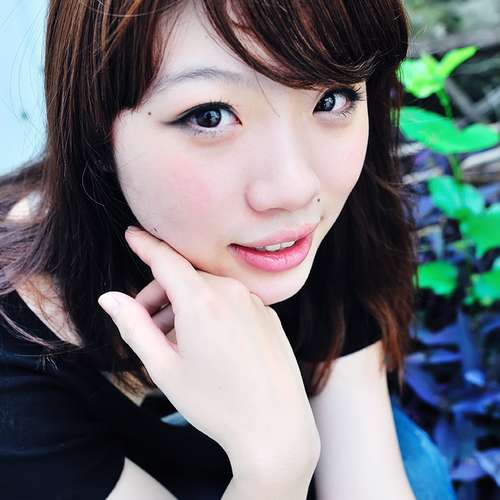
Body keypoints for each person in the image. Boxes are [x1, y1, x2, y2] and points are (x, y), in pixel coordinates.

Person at [0, 0, 418, 498]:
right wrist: (275, 468)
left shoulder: (318, 223)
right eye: (210, 115)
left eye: (331, 99)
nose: (295, 188)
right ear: (95, 128)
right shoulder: (15, 358)